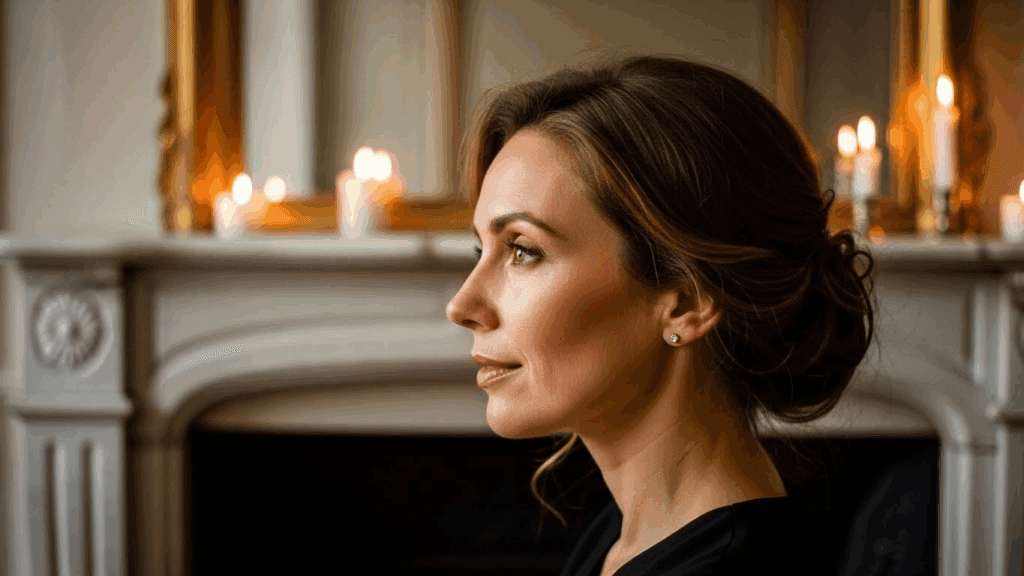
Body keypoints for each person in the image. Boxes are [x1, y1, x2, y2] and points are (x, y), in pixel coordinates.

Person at [445, 54, 876, 576]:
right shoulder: (621, 537)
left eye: (523, 250)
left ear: (687, 302)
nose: (461, 306)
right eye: (480, 251)